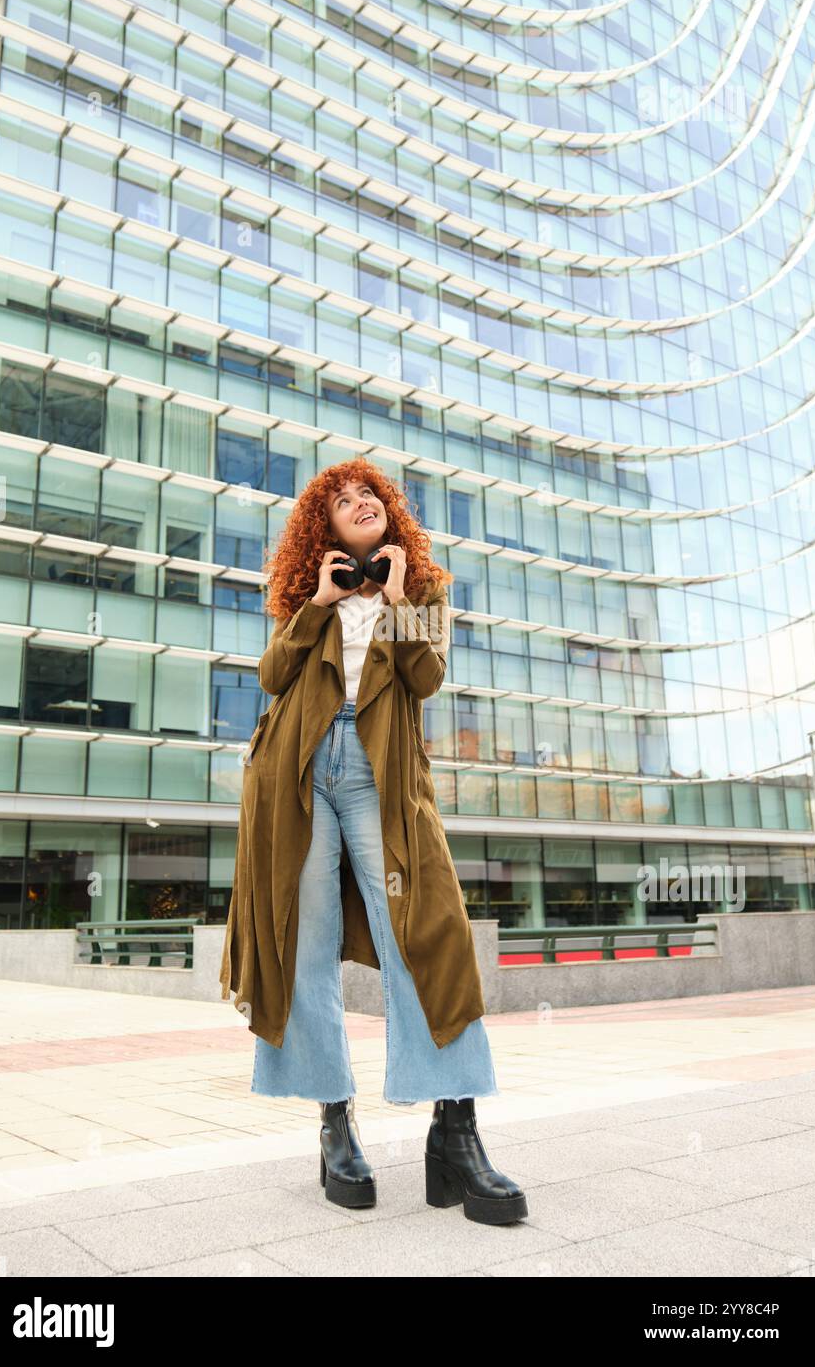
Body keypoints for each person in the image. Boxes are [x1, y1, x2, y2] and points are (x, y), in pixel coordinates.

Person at [223, 459, 527, 1225]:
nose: (358, 503)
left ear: (389, 514)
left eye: (369, 496)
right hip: (295, 773)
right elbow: (271, 675)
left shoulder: (422, 589)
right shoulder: (309, 596)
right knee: (309, 940)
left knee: (428, 929)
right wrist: (320, 604)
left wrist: (393, 600)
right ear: (322, 533)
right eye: (341, 502)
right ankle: (334, 1125)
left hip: (378, 773)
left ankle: (454, 1133)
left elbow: (424, 681)